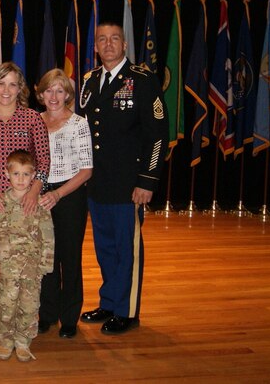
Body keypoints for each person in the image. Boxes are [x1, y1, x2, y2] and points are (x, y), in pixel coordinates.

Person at [78, 21, 168, 335]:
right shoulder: (89, 81)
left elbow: (158, 135)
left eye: (115, 38)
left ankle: (127, 311)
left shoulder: (142, 80)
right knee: (104, 248)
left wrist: (147, 180)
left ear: (125, 45)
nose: (108, 44)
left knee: (126, 249)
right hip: (96, 181)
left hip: (129, 184)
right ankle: (109, 302)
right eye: (102, 39)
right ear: (96, 47)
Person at [0, 62, 50, 340]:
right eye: (1, 83)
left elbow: (43, 162)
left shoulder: (33, 119)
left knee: (24, 260)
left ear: (21, 88)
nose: (6, 90)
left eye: (13, 84)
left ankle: (23, 318)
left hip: (25, 203)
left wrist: (33, 192)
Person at [36, 68, 93, 339]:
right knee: (46, 258)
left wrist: (58, 194)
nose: (54, 96)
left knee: (69, 258)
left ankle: (69, 317)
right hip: (39, 194)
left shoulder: (79, 124)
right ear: (41, 94)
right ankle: (47, 314)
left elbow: (86, 170)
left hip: (69, 196)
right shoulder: (34, 121)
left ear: (68, 95)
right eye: (49, 90)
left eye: (60, 90)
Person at [0, 149, 54, 362]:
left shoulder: (40, 204)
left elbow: (48, 235)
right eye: (16, 174)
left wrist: (45, 264)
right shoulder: (0, 203)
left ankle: (24, 340)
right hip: (7, 268)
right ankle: (5, 339)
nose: (21, 179)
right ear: (7, 174)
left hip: (32, 268)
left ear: (33, 176)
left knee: (29, 305)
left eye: (26, 174)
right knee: (6, 304)